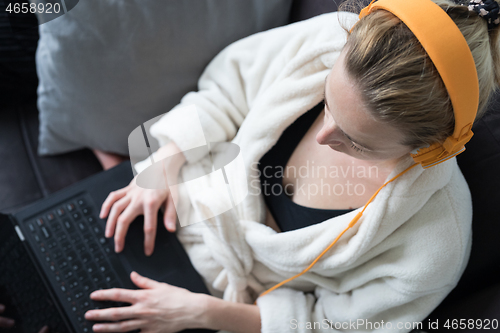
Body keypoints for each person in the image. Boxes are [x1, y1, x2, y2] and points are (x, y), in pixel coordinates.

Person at [83, 0, 500, 332]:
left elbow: (331, 327)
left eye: (355, 141)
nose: (324, 135)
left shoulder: (435, 241)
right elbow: (226, 92)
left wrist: (200, 313)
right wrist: (161, 166)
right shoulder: (326, 39)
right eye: (327, 103)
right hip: (169, 199)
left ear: (429, 150)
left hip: (222, 305)